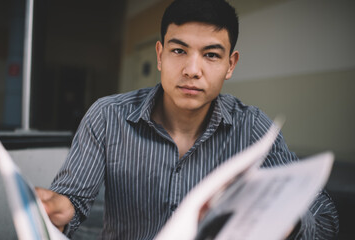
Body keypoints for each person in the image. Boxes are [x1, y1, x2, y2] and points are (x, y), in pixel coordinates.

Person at [36, 0, 339, 239]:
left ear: (230, 64)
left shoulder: (253, 128)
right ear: (159, 55)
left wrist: (283, 223)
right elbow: (70, 202)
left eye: (211, 55)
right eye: (179, 50)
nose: (192, 70)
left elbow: (325, 219)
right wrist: (60, 209)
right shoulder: (107, 116)